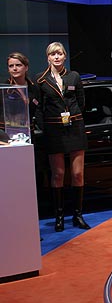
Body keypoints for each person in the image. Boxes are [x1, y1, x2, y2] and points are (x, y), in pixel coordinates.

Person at [36, 42, 90, 231]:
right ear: (48, 57)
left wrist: (73, 117)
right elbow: (39, 108)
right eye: (53, 54)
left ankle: (77, 215)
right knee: (58, 174)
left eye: (60, 53)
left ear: (65, 56)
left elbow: (81, 102)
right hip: (54, 131)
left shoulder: (74, 76)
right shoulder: (41, 80)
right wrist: (45, 128)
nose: (57, 57)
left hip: (75, 127)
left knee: (78, 173)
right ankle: (59, 217)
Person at [6, 51, 41, 129]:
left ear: (26, 67)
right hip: (9, 132)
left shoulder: (34, 88)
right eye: (11, 66)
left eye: (18, 65)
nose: (14, 68)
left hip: (30, 131)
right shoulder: (4, 89)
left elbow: (38, 111)